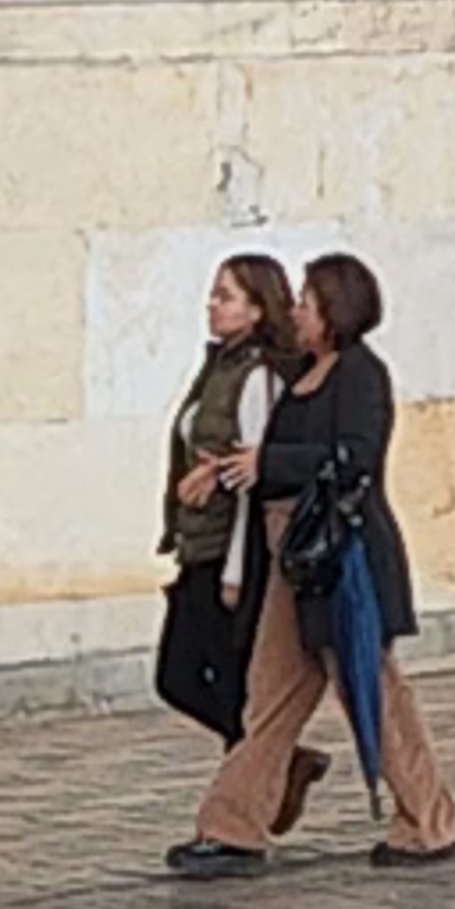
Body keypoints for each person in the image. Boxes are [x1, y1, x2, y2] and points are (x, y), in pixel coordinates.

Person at [167, 250, 455, 875]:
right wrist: (224, 471)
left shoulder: (360, 374)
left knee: (371, 689)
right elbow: (261, 446)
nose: (297, 310)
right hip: (288, 558)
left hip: (339, 557)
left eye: (308, 300)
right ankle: (234, 827)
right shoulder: (300, 369)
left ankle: (429, 821)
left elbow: (354, 458)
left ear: (337, 310)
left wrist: (270, 465)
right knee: (270, 693)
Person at [153, 250, 299, 770]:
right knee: (183, 677)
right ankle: (267, 774)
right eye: (214, 294)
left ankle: (262, 777)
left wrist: (236, 571)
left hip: (225, 554)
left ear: (258, 309)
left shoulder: (257, 377)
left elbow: (248, 479)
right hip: (197, 544)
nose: (212, 306)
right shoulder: (218, 366)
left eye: (226, 297)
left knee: (200, 676)